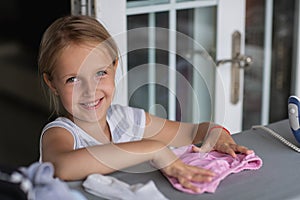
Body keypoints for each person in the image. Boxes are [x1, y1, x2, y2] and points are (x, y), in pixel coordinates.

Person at [38, 15, 253, 193]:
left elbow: (193, 132)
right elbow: (62, 166)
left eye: (100, 73)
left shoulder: (127, 120)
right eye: (73, 80)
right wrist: (154, 150)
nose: (90, 90)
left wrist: (216, 132)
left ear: (114, 66)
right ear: (52, 83)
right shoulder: (60, 133)